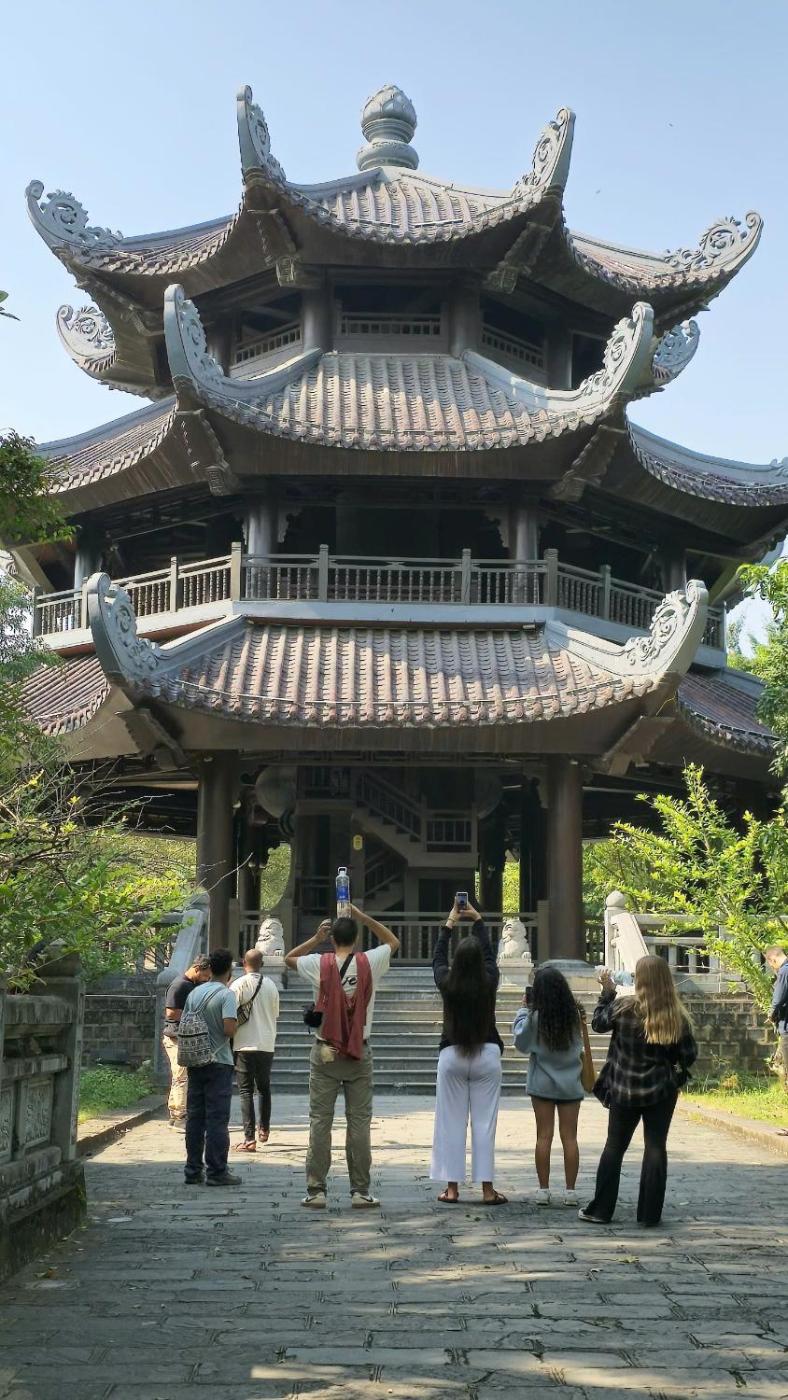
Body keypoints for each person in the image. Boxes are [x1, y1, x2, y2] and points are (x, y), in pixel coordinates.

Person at [285, 903, 400, 1210]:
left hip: (325, 1050)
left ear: (332, 939)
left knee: (320, 1121)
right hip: (359, 1050)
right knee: (359, 1123)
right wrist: (363, 916)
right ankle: (360, 1191)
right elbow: (392, 942)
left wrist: (315, 939)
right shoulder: (370, 962)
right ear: (357, 938)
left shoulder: (318, 963)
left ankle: (316, 1191)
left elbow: (288, 958)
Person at [579, 956, 697, 1227]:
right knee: (655, 1146)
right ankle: (649, 1214)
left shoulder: (623, 1008)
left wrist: (607, 992)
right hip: (661, 1090)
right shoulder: (675, 1016)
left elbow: (598, 1024)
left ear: (639, 979)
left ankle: (601, 1210)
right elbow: (689, 1055)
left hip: (624, 1088)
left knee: (614, 1147)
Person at [430, 900, 506, 1206]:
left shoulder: (447, 983)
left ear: (457, 962)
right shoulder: (490, 981)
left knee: (450, 1122)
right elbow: (489, 956)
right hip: (487, 1053)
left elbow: (437, 959)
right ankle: (487, 1190)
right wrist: (479, 921)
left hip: (452, 1054)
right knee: (485, 1124)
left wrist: (449, 923)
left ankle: (452, 1189)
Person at [512, 966, 585, 1207]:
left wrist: (523, 1010)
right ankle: (570, 1191)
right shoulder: (574, 1016)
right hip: (570, 1082)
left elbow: (521, 1043)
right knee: (570, 1138)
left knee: (544, 1136)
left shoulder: (535, 1018)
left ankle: (543, 1190)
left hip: (542, 1082)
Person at [183, 947, 240, 1187]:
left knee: (195, 1117)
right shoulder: (226, 995)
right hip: (219, 1061)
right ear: (229, 971)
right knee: (217, 1118)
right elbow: (229, 1029)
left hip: (196, 1059)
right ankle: (217, 1171)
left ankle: (193, 1170)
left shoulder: (194, 993)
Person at [233, 947, 280, 1153]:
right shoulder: (271, 985)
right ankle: (264, 1129)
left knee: (245, 1091)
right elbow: (275, 1013)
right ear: (262, 964)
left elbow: (230, 1013)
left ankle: (249, 1138)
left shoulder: (238, 984)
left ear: (244, 963)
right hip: (266, 1043)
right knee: (264, 1087)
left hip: (244, 1043)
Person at [161, 954, 211, 1129]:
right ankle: (180, 1116)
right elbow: (171, 1012)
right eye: (205, 975)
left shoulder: (192, 985)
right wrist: (194, 1017)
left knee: (181, 1076)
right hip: (175, 1037)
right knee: (181, 1077)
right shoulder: (180, 985)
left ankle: (175, 1113)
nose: (206, 979)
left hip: (184, 1037)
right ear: (197, 969)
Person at [766, 945, 788, 1130]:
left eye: (771, 964)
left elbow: (778, 998)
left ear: (772, 959)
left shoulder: (784, 972)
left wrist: (771, 1014)